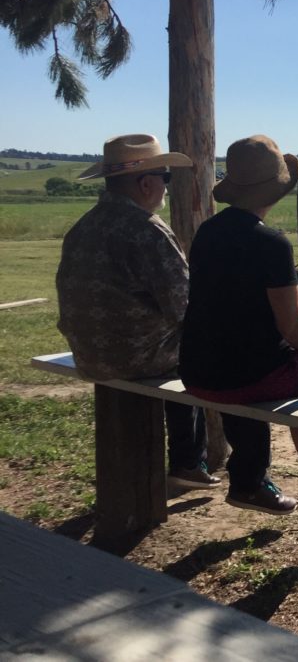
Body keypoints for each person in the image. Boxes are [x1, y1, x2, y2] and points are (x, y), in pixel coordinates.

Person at [179, 134, 298, 529]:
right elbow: (297, 331)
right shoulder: (271, 243)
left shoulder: (208, 232)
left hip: (197, 373)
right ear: (276, 188)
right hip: (244, 379)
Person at [56, 134, 215, 491]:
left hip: (88, 352)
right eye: (166, 179)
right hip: (134, 356)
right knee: (199, 352)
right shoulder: (147, 230)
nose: (165, 188)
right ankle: (189, 461)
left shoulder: (84, 225)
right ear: (146, 184)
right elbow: (184, 307)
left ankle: (188, 460)